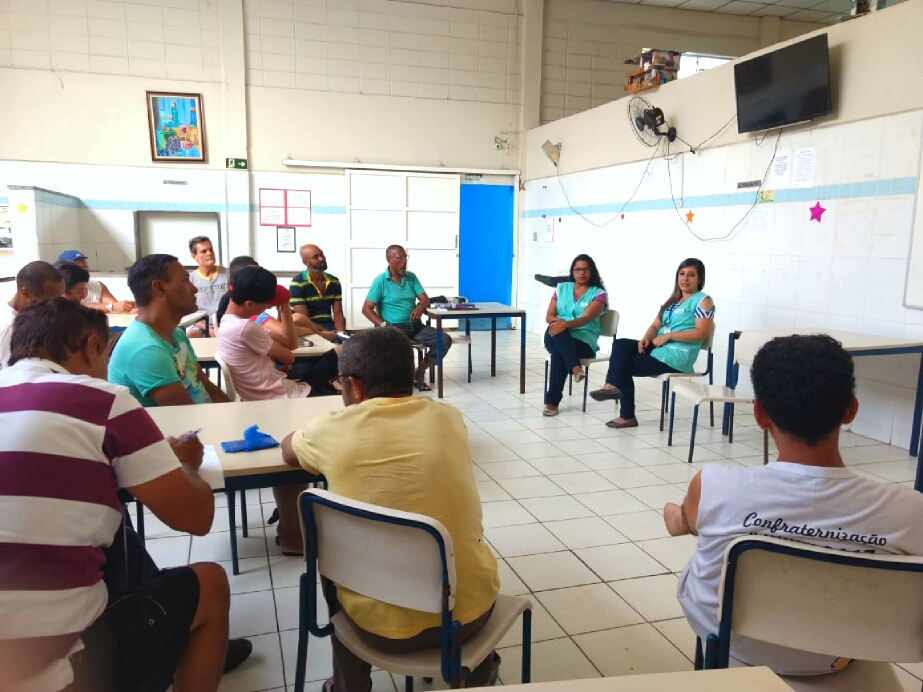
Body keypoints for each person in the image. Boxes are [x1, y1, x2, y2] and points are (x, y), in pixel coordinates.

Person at [0, 297, 244, 692]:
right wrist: (181, 463)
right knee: (211, 584)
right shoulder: (102, 400)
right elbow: (196, 519)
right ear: (93, 346)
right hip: (49, 666)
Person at [667, 334, 923, 676]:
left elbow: (683, 521)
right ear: (851, 410)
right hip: (842, 654)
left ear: (759, 414)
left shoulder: (715, 485)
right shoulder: (909, 512)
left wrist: (675, 514)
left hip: (733, 644)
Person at [281, 328, 501, 691]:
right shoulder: (448, 417)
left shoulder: (329, 429)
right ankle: (479, 670)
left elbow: (288, 452)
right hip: (470, 617)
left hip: (379, 631)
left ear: (354, 386)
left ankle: (348, 686)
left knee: (333, 563)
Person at [590, 258, 714, 428]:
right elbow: (656, 325)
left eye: (691, 275)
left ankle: (627, 415)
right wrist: (646, 337)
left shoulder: (703, 300)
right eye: (682, 274)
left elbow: (702, 332)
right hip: (660, 348)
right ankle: (611, 385)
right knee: (621, 344)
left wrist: (669, 336)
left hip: (677, 356)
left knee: (624, 364)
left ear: (699, 279)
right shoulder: (673, 301)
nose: (685, 279)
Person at [109, 254, 229, 406]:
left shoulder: (176, 333)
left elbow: (203, 382)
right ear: (159, 288)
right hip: (183, 428)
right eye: (185, 281)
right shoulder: (146, 350)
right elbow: (186, 418)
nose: (194, 288)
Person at [217, 266, 340, 403]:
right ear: (249, 304)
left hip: (280, 390)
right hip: (284, 397)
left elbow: (290, 344)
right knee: (343, 355)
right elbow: (289, 357)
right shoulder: (245, 328)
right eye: (267, 304)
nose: (269, 307)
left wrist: (284, 309)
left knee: (340, 352)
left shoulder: (228, 322)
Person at [361, 244, 451, 391]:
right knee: (400, 349)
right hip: (393, 328)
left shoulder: (411, 277)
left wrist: (420, 307)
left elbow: (424, 299)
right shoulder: (381, 281)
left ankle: (419, 372)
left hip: (415, 326)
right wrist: (384, 325)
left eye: (405, 257)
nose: (404, 261)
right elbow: (366, 309)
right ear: (389, 259)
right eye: (399, 258)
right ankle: (397, 381)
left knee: (444, 340)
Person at [543, 254, 608, 417]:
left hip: (583, 342)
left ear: (592, 272)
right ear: (573, 271)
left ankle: (552, 403)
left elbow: (586, 318)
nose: (582, 273)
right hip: (555, 334)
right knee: (560, 337)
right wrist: (560, 324)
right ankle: (575, 367)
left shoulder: (599, 294)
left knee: (559, 353)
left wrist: (565, 324)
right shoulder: (562, 288)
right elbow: (549, 315)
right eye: (578, 269)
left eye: (586, 269)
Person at [0, 260, 64, 368]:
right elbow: (14, 375)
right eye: (49, 301)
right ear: (25, 293)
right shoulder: (9, 328)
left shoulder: (33, 317)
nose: (56, 307)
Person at [289, 244, 346, 341]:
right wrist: (328, 334)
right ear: (305, 262)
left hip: (328, 326)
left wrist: (341, 334)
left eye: (322, 255)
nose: (321, 259)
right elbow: (304, 320)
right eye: (315, 257)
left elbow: (338, 313)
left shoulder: (334, 281)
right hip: (306, 328)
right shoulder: (298, 283)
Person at [58, 249, 135, 313]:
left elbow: (116, 305)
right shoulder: (59, 295)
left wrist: (128, 307)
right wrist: (111, 307)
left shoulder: (97, 285)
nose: (84, 268)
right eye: (78, 266)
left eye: (84, 265)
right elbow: (76, 306)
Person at [187, 235, 229, 338]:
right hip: (201, 324)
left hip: (225, 322)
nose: (209, 253)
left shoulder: (228, 274)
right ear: (194, 256)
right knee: (192, 334)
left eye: (211, 249)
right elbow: (187, 311)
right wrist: (208, 329)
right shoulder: (190, 279)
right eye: (203, 251)